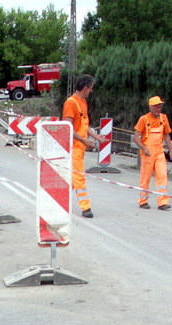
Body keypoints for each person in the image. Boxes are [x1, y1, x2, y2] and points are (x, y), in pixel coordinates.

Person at [61, 74, 109, 218]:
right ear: (86, 87)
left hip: (79, 147)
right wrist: (84, 141)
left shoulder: (82, 102)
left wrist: (96, 137)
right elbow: (68, 127)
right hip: (73, 147)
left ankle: (58, 201)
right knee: (79, 177)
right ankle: (86, 208)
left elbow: (84, 125)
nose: (91, 91)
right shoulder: (71, 103)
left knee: (73, 179)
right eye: (91, 89)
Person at [133, 96, 172, 211]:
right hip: (148, 153)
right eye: (156, 106)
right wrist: (144, 148)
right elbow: (136, 138)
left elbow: (166, 135)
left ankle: (163, 202)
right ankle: (143, 201)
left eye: (160, 106)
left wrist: (170, 149)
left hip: (159, 151)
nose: (158, 108)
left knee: (162, 176)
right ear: (150, 107)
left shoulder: (163, 118)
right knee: (145, 177)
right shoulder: (144, 119)